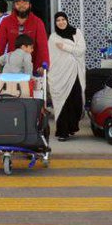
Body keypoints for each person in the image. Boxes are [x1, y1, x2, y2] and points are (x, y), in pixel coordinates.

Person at [48, 12, 87, 141]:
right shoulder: (53, 38)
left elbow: (81, 50)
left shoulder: (77, 33)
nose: (61, 22)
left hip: (75, 73)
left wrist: (65, 47)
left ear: (67, 20)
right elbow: (52, 57)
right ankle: (62, 132)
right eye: (58, 20)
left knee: (75, 101)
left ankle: (71, 127)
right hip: (60, 75)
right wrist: (72, 48)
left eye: (63, 19)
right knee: (62, 103)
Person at [0, 0, 49, 72]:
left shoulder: (38, 22)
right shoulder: (6, 22)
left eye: (25, 3)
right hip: (12, 68)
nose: (21, 6)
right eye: (18, 3)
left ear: (30, 5)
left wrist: (45, 65)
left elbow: (43, 47)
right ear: (14, 6)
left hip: (33, 67)